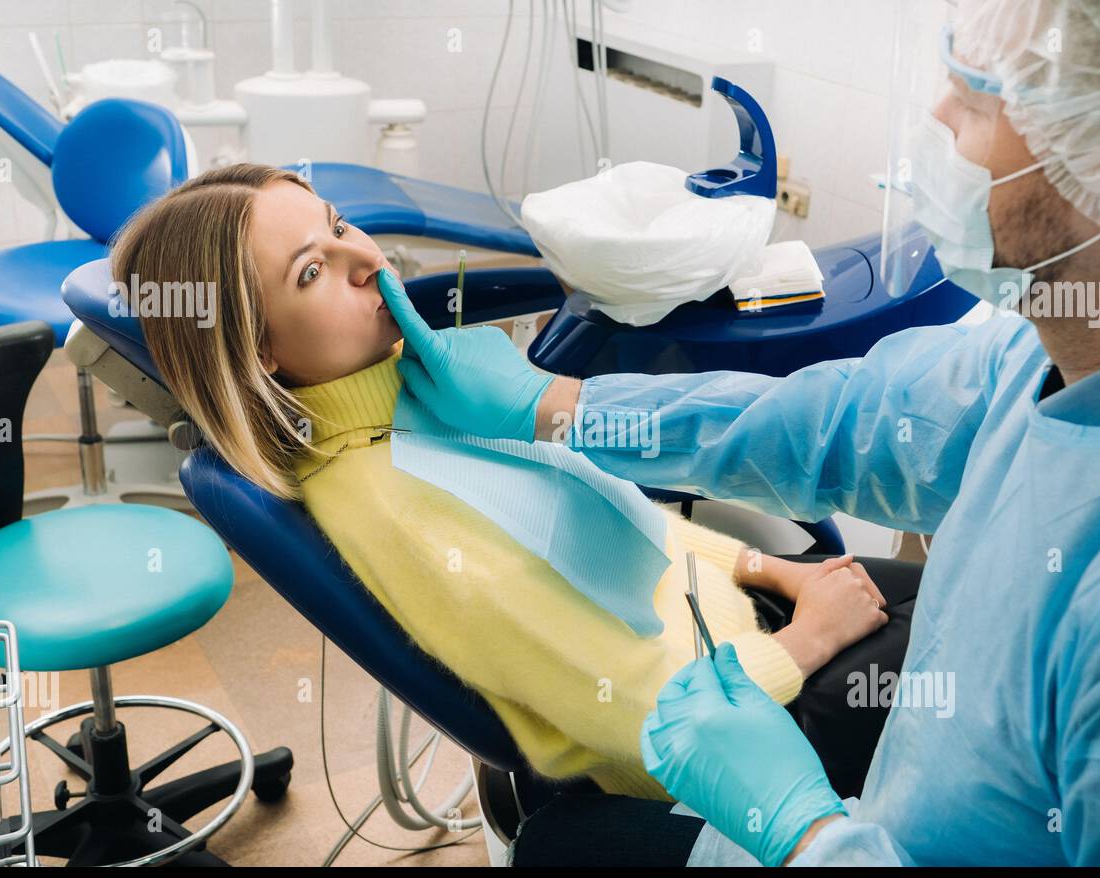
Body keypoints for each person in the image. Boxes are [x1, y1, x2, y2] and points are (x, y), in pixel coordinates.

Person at [381, 0, 1100, 866]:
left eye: (985, 95)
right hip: (900, 807)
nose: (941, 115)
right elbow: (851, 422)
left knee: (565, 849)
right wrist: (561, 407)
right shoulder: (1072, 348)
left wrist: (808, 836)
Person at [110, 162, 916, 806]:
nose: (369, 261)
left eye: (340, 225)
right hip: (730, 737)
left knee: (956, 590)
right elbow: (648, 721)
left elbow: (629, 526)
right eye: (314, 270)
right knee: (996, 635)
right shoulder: (395, 509)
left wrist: (777, 571)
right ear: (261, 355)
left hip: (735, 637)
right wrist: (808, 638)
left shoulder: (424, 398)